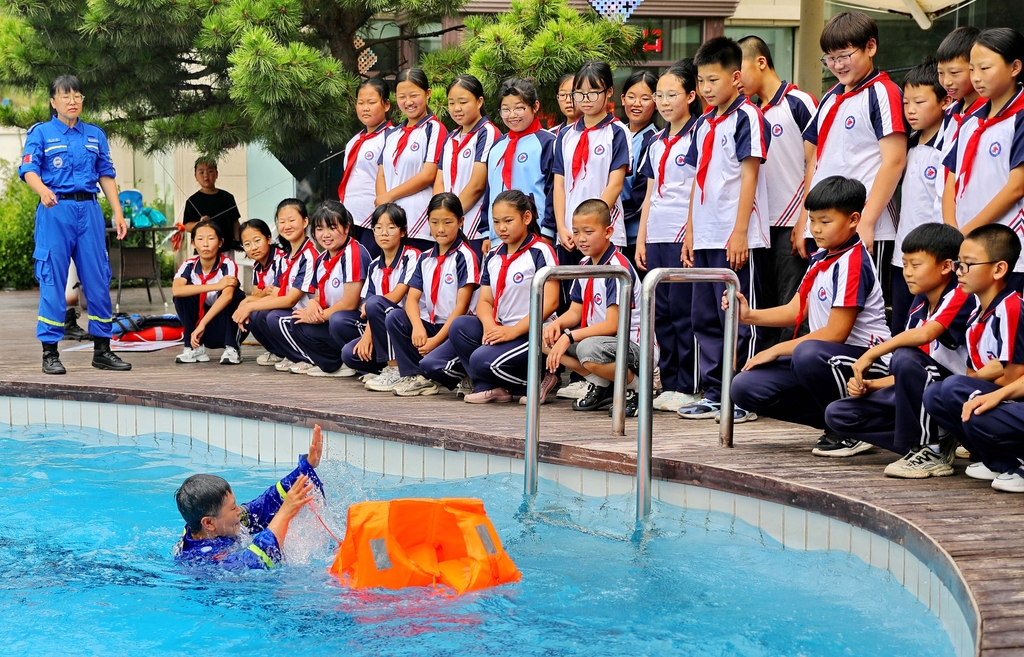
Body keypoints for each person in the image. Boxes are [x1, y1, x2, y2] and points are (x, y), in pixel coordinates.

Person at [726, 176, 891, 455]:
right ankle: (841, 421)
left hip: (867, 361)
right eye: (812, 220)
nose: (815, 229)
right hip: (831, 360)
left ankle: (852, 426)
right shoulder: (822, 257)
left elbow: (834, 334)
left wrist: (775, 349)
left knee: (807, 353)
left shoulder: (853, 261)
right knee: (745, 386)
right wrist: (749, 315)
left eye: (825, 222)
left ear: (853, 220)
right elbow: (795, 310)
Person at [825, 223, 975, 477]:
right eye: (904, 265)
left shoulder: (961, 293)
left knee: (904, 355)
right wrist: (872, 386)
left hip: (955, 396)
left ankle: (932, 449)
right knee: (839, 414)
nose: (907, 273)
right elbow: (915, 373)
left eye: (916, 265)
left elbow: (925, 338)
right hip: (926, 396)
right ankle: (931, 440)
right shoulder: (920, 301)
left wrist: (871, 354)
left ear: (946, 266)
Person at [676, 36, 771, 424]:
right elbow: (698, 181)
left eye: (713, 80)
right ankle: (716, 392)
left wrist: (739, 232)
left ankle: (743, 394)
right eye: (700, 81)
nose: (705, 88)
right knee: (705, 318)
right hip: (706, 235)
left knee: (739, 316)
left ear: (736, 77)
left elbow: (748, 177)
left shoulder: (748, 116)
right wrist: (691, 232)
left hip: (737, 235)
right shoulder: (701, 124)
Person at [20, 74, 131, 375]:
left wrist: (117, 212)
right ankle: (50, 353)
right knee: (52, 279)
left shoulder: (95, 134)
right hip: (55, 210)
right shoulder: (41, 133)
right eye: (65, 96)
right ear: (53, 102)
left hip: (90, 211)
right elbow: (28, 168)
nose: (72, 101)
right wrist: (42, 189)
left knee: (97, 277)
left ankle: (102, 350)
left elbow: (106, 174)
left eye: (77, 95)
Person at [798, 11, 908, 302]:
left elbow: (895, 159)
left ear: (870, 47)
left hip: (868, 226)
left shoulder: (882, 92)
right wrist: (804, 221)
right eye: (830, 58)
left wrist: (867, 222)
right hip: (825, 228)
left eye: (844, 55)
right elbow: (816, 160)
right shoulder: (831, 96)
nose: (836, 64)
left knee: (863, 311)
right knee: (823, 307)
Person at [923, 224, 1024, 490]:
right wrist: (982, 379)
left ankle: (1015, 466)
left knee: (956, 389)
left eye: (968, 264)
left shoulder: (1010, 307)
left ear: (999, 269)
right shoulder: (975, 314)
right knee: (936, 394)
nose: (959, 271)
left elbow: (1012, 375)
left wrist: (980, 385)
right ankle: (996, 460)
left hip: (1015, 397)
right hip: (1003, 394)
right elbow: (976, 373)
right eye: (959, 263)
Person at [737, 35, 818, 346]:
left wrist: (804, 221)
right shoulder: (750, 114)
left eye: (738, 70)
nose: (736, 79)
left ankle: (790, 379)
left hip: (791, 224)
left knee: (791, 306)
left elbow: (815, 162)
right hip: (760, 228)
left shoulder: (800, 102)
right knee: (763, 307)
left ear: (761, 62)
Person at [445, 190, 560, 404]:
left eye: (508, 220)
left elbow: (551, 301)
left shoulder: (540, 251)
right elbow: (485, 301)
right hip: (503, 327)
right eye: (496, 222)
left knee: (480, 360)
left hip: (533, 330)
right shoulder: (493, 255)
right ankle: (493, 387)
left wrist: (513, 331)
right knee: (460, 326)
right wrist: (490, 327)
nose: (502, 228)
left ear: (526, 218)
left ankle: (540, 379)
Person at [635, 59, 703, 414]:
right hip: (657, 232)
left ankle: (689, 385)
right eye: (658, 95)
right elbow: (650, 193)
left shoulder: (698, 134)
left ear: (691, 96)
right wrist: (642, 237)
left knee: (682, 311)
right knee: (660, 311)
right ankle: (670, 381)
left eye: (671, 94)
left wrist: (691, 233)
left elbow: (696, 189)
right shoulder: (656, 141)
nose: (663, 101)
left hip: (682, 233)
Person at [543, 199, 645, 416]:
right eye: (577, 232)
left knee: (586, 348)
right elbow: (575, 312)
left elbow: (612, 324)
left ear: (608, 231)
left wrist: (568, 336)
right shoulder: (584, 265)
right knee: (543, 336)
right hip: (600, 343)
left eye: (588, 232)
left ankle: (637, 388)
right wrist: (558, 325)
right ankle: (602, 384)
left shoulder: (617, 268)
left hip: (633, 346)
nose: (581, 239)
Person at [174, 425, 324, 570]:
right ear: (208, 523)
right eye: (232, 508)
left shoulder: (219, 525)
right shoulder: (202, 561)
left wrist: (305, 468)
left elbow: (264, 506)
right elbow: (254, 561)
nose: (239, 511)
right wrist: (285, 513)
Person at [942, 28, 1024, 277]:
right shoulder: (970, 120)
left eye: (985, 68)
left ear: (1015, 67)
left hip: (1007, 247)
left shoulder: (1019, 117)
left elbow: (1017, 186)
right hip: (968, 249)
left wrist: (967, 233)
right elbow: (952, 178)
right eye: (972, 69)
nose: (976, 77)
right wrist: (952, 231)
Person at [383, 193, 480, 396]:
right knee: (394, 316)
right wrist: (418, 326)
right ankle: (415, 376)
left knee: (432, 365)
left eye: (448, 222)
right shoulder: (425, 257)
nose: (440, 229)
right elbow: (412, 300)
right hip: (432, 325)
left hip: (457, 331)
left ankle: (467, 373)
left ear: (461, 222)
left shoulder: (465, 256)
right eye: (434, 222)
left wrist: (434, 342)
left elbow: (462, 307)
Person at [552, 61, 632, 269]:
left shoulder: (617, 132)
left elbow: (615, 184)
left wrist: (591, 226)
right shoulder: (565, 135)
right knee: (572, 297)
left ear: (609, 92)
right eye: (579, 93)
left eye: (593, 92)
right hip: (570, 234)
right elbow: (559, 184)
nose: (585, 100)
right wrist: (563, 227)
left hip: (603, 231)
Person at [890, 59, 948, 333]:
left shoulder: (948, 146)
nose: (910, 110)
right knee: (900, 324)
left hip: (932, 255)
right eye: (906, 103)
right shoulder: (908, 143)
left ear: (944, 102)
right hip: (902, 254)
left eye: (920, 102)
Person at [233, 199, 319, 370]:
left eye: (292, 220)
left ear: (305, 221)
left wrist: (249, 306)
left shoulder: (308, 255)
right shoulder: (287, 257)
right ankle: (287, 353)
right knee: (257, 314)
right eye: (282, 221)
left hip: (310, 314)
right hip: (295, 313)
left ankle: (306, 357)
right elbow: (275, 295)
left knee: (271, 316)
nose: (287, 225)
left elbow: (289, 300)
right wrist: (248, 305)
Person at [289, 201, 370, 376]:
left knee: (338, 320)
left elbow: (349, 304)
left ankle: (359, 363)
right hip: (333, 316)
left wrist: (315, 317)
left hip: (359, 321)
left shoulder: (353, 253)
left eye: (332, 227)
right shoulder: (323, 257)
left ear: (346, 228)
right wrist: (311, 306)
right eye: (319, 229)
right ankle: (334, 365)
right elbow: (319, 296)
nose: (325, 234)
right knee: (296, 321)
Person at [345, 204, 421, 390]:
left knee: (379, 305)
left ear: (403, 231)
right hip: (383, 321)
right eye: (378, 228)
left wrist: (369, 329)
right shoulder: (374, 265)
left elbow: (394, 297)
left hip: (407, 325)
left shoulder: (412, 257)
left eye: (391, 227)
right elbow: (371, 307)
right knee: (349, 353)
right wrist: (367, 337)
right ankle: (384, 368)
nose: (384, 233)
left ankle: (395, 370)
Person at [376, 67, 447, 252]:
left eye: (414, 95)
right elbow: (382, 173)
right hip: (391, 227)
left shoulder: (434, 129)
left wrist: (389, 197)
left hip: (418, 223)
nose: (408, 102)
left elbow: (428, 174)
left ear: (428, 93)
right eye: (402, 96)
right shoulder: (392, 134)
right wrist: (385, 207)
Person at [485, 78, 557, 250]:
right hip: (498, 237)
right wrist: (486, 232)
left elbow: (554, 189)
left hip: (535, 234)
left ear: (535, 106)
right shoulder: (497, 146)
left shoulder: (547, 142)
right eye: (506, 110)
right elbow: (489, 190)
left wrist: (548, 230)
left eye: (519, 108)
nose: (512, 115)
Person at [435, 74, 501, 261]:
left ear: (480, 101)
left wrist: (449, 217)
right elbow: (440, 179)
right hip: (449, 226)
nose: (456, 109)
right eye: (451, 103)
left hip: (474, 227)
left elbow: (477, 185)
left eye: (463, 102)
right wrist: (441, 217)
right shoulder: (450, 137)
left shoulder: (487, 132)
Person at [172, 220, 245, 365]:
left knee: (237, 295)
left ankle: (233, 348)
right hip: (198, 331)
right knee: (182, 296)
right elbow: (177, 290)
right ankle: (193, 348)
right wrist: (216, 285)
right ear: (193, 243)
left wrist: (202, 324)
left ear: (220, 242)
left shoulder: (227, 264)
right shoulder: (188, 265)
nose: (205, 244)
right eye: (200, 239)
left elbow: (228, 296)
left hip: (223, 326)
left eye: (211, 238)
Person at [339, 78, 392, 261]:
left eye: (371, 102)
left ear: (386, 105)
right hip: (350, 220)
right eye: (360, 103)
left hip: (373, 220)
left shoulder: (391, 138)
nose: (365, 108)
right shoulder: (354, 141)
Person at [619, 70, 659, 268]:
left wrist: (606, 216)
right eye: (631, 97)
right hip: (609, 235)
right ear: (622, 98)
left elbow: (640, 199)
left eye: (645, 98)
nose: (636, 104)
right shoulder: (616, 134)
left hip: (635, 239)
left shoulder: (654, 140)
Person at [182, 158, 242, 248]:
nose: (206, 175)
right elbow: (186, 226)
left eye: (210, 171)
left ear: (216, 174)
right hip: (203, 249)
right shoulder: (192, 201)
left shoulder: (228, 197)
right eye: (201, 172)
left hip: (226, 248)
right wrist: (200, 223)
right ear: (195, 177)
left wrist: (238, 241)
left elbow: (235, 221)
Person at [239, 218, 287, 302]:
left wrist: (248, 300)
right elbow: (256, 294)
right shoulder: (257, 266)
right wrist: (264, 293)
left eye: (257, 241)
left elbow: (277, 296)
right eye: (247, 244)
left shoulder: (281, 259)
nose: (253, 248)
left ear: (268, 239)